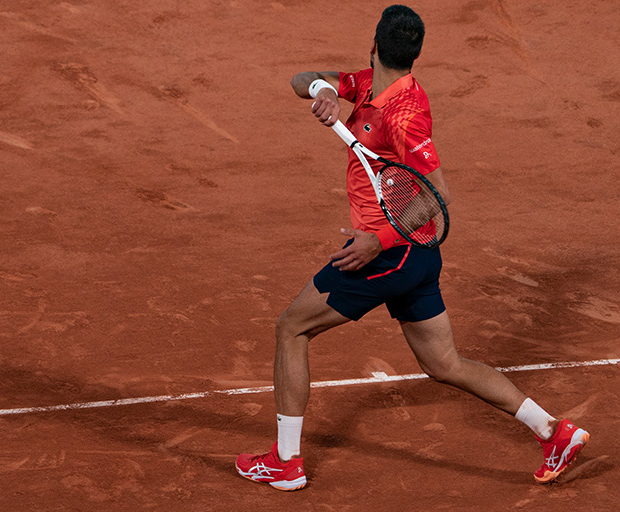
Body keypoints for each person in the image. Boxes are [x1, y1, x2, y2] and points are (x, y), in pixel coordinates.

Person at [235, 5, 589, 491]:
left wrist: (374, 241)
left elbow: (436, 197)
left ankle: (286, 461)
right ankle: (553, 432)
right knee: (446, 365)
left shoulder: (405, 117)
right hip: (415, 257)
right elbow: (303, 78)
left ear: (374, 44)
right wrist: (322, 92)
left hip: (389, 254)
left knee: (291, 329)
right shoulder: (369, 85)